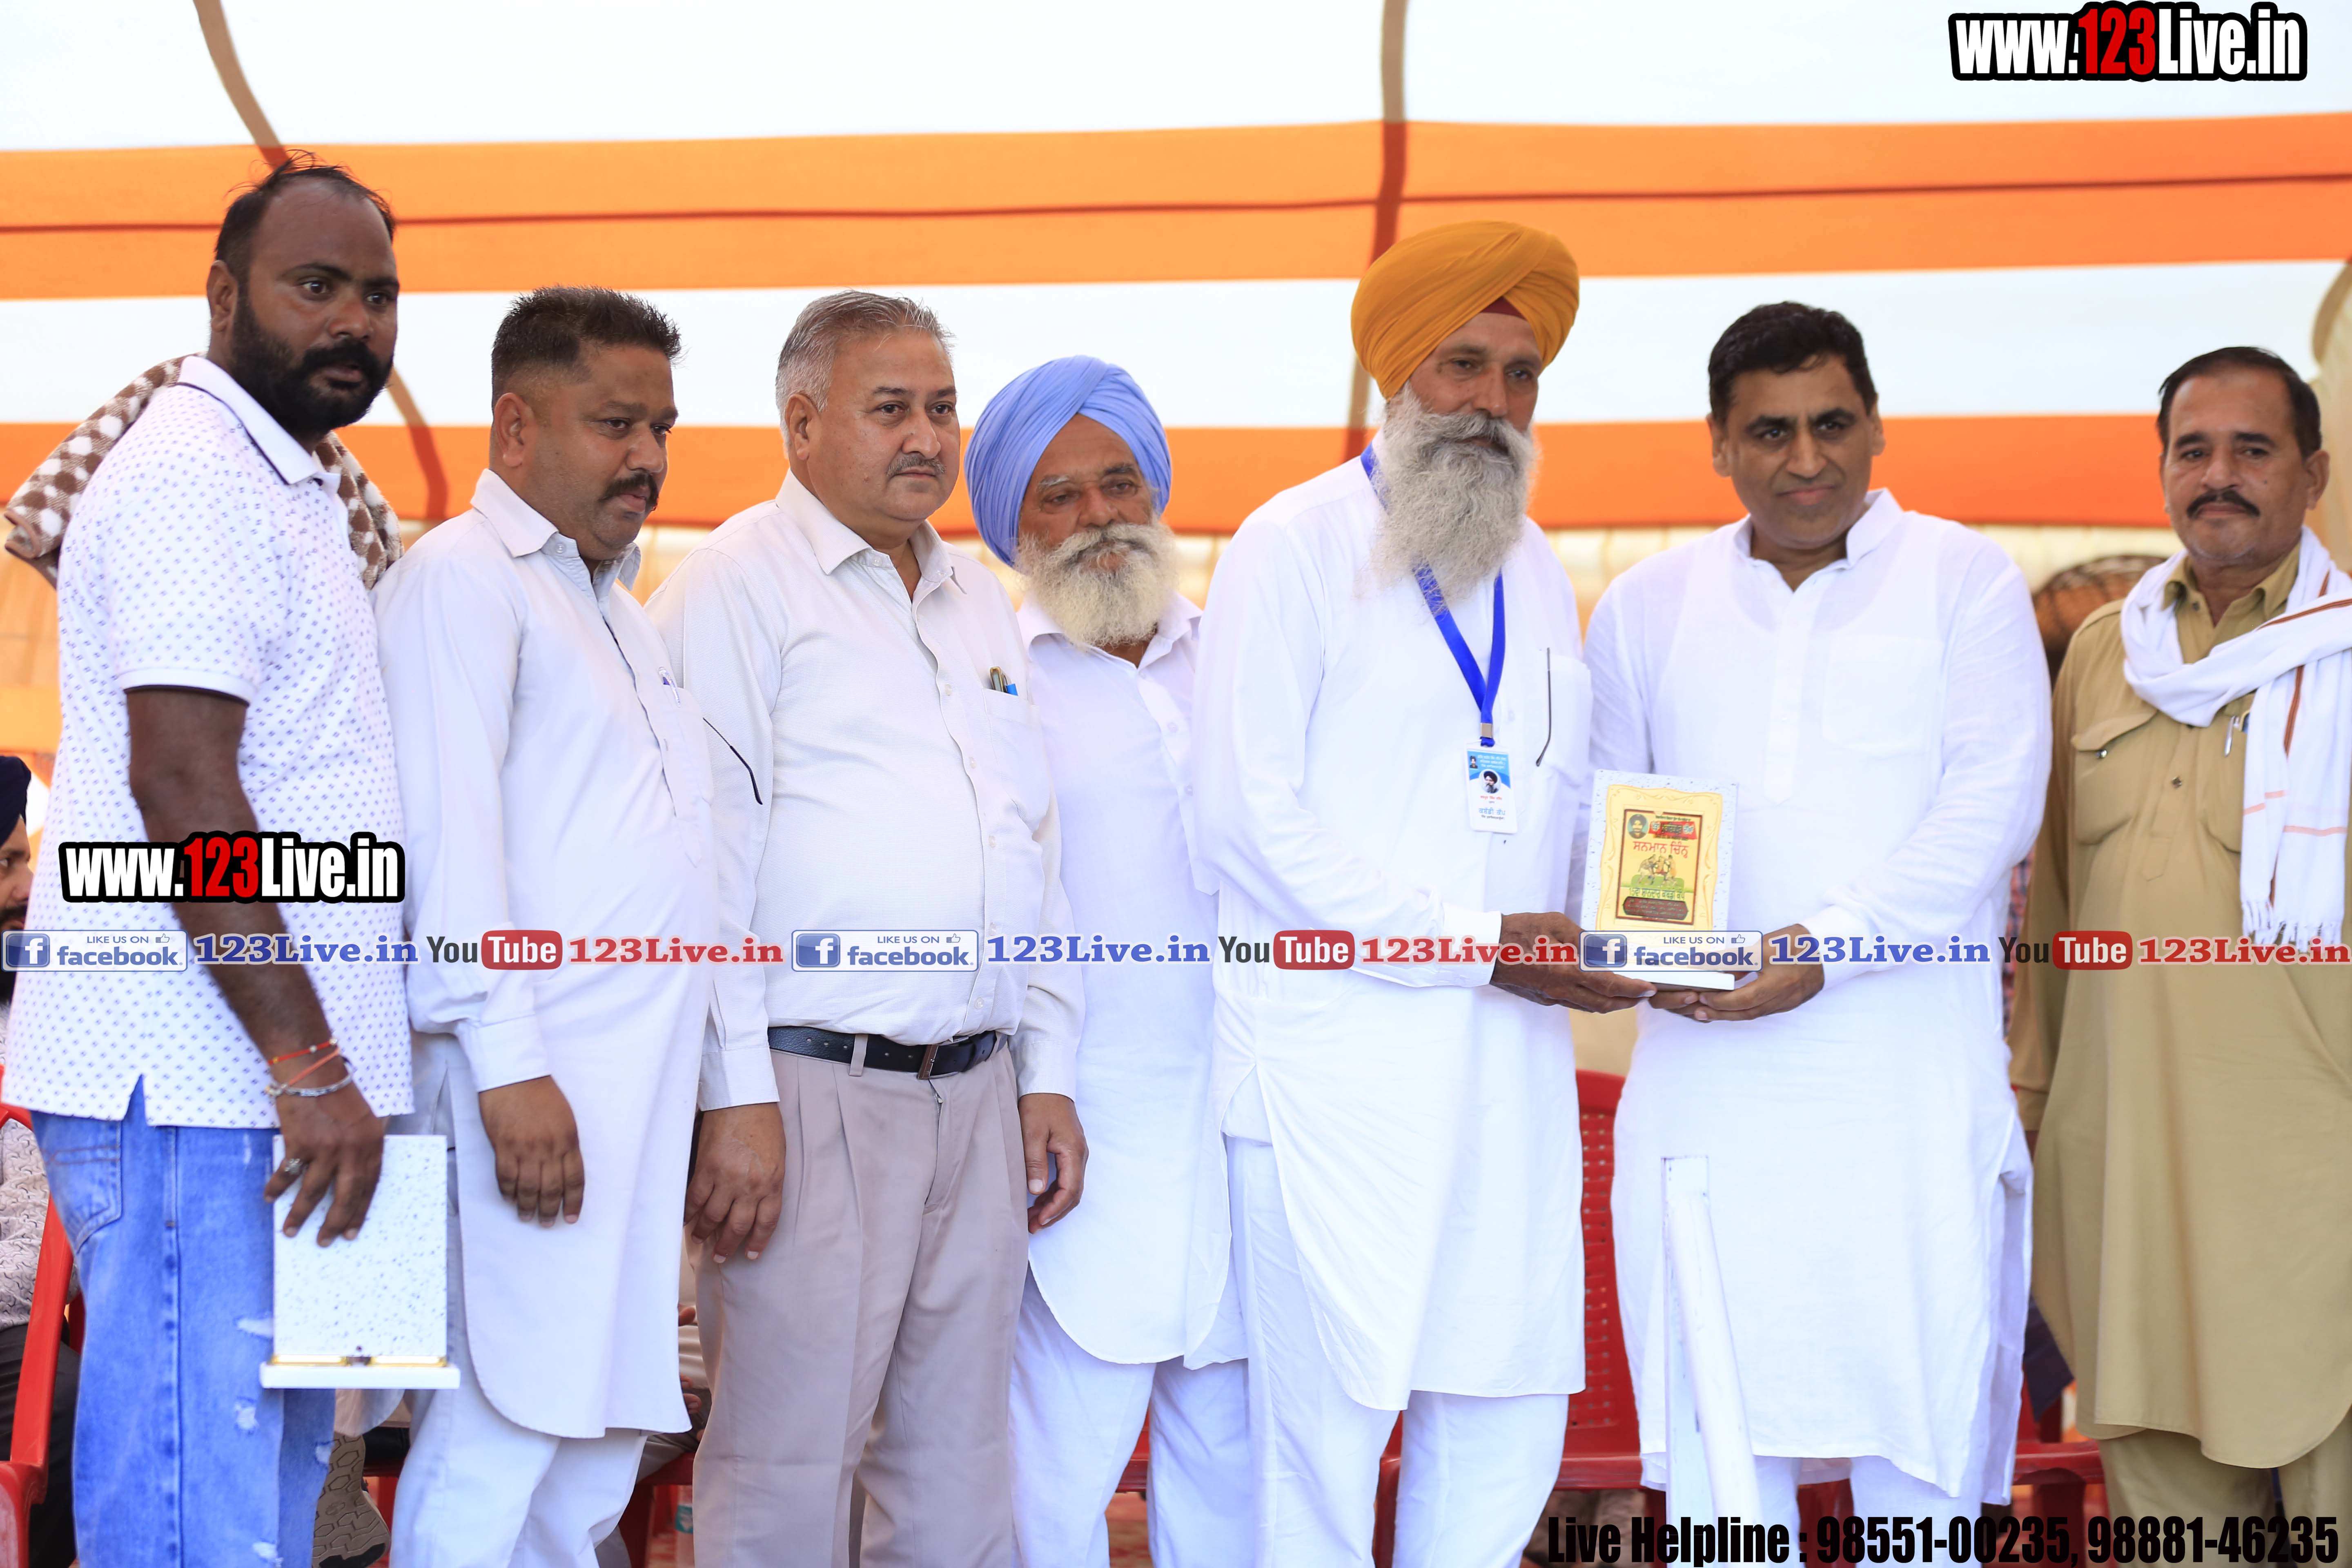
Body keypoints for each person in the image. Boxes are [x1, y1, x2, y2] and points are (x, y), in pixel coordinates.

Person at [1190, 220, 1650, 1567]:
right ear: (1397, 376)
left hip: (1505, 1069)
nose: (1493, 402)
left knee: (1504, 1407)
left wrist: (1633, 926)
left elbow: (1560, 804)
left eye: (1521, 375)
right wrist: (1472, 943)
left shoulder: (1541, 571)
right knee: (1323, 1440)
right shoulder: (1291, 545)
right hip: (1331, 1072)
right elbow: (1246, 820)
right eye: (1463, 365)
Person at [6, 158, 412, 1568]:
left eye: (379, 295)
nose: (355, 321)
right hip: (210, 1093)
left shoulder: (291, 479)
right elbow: (184, 788)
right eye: (317, 286)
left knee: (273, 1514)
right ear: (224, 294)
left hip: (290, 1100)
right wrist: (312, 1066)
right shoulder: (191, 472)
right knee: (196, 1519)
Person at [1584, 302, 2048, 1530]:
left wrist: (1822, 949)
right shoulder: (1646, 604)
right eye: (1770, 431)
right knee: (1724, 1477)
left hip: (1905, 1095)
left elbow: (1989, 814)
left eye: (1832, 424)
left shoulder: (1965, 581)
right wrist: (1648, 952)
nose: (1807, 459)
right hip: (1707, 1089)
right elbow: (1611, 818)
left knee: (1919, 1466)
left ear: (1877, 425)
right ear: (1718, 443)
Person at [648, 291, 1086, 1568]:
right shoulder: (734, 585)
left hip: (978, 1092)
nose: (928, 437)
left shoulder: (980, 602)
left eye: (942, 409)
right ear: (801, 423)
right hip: (807, 1090)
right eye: (890, 408)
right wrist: (735, 1100)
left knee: (959, 1468)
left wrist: (1046, 1073)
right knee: (787, 1466)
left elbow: (1032, 851)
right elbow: (704, 868)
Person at [372, 286, 782, 1566]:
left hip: (629, 1107)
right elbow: (445, 849)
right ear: (515, 427)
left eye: (662, 428)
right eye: (616, 424)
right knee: (498, 1439)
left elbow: (687, 873)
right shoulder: (459, 581)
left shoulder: (615, 610)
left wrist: (724, 1086)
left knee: (592, 1455)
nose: (648, 457)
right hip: (520, 1093)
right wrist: (510, 1071)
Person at [2011, 345, 2352, 1525]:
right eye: (2192, 451)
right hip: (2127, 1176)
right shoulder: (2108, 654)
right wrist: (2035, 1103)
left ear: (2313, 474)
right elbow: (2056, 905)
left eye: (2253, 449)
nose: (2219, 476)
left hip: (2313, 1185)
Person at [964, 357, 1252, 1567]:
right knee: (1055, 1480)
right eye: (1058, 496)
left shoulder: (1241, 654)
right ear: (1015, 527)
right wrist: (1041, 1081)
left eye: (1118, 483)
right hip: (1078, 1123)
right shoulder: (991, 676)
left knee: (1237, 1473)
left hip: (1246, 1123)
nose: (1097, 517)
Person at [0, 757, 76, 1568]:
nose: (26, 888)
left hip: (8, 1327)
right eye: (5, 866)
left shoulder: (40, 1007)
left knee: (73, 1407)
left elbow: (38, 1218)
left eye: (25, 860)